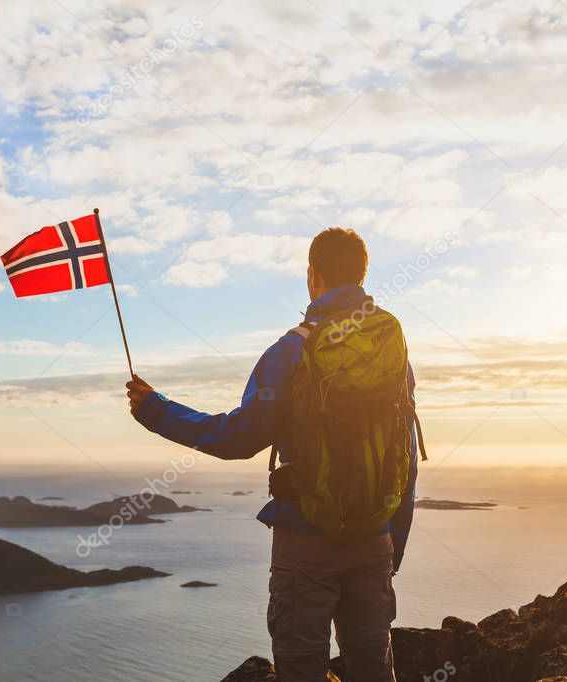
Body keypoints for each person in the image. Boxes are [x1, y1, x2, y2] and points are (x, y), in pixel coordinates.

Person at [126, 227, 421, 682]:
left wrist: (155, 411)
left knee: (301, 668)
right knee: (373, 669)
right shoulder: (391, 352)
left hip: (306, 539)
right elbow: (405, 452)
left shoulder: (292, 349)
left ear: (312, 276)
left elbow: (237, 438)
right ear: (361, 274)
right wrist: (389, 546)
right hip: (373, 537)